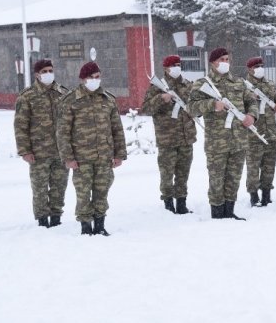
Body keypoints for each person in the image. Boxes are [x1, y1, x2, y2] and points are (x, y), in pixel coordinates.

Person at [57, 61, 127, 236]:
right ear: (83, 79)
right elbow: (63, 132)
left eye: (98, 77)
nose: (96, 80)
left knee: (102, 191)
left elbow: (117, 129)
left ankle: (100, 224)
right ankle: (85, 227)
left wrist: (119, 154)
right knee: (83, 193)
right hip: (81, 158)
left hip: (104, 156)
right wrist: (68, 157)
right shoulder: (71, 100)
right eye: (92, 77)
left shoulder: (108, 99)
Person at [187, 47, 258, 220]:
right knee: (217, 180)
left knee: (234, 178)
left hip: (239, 139)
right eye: (222, 59)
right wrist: (212, 105)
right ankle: (217, 214)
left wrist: (252, 116)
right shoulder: (203, 84)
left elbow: (251, 101)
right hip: (217, 143)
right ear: (213, 62)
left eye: (227, 59)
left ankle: (229, 211)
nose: (225, 62)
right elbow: (191, 109)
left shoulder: (239, 82)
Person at [13, 59, 70, 228]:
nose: (48, 74)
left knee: (59, 187)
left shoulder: (62, 93)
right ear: (37, 74)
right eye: (44, 71)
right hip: (38, 152)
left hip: (61, 151)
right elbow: (20, 126)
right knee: (40, 188)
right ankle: (42, 220)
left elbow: (70, 122)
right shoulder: (27, 96)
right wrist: (25, 150)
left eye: (50, 70)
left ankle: (56, 218)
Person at [141, 54, 197, 214]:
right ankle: (168, 203)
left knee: (183, 173)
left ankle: (181, 202)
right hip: (167, 139)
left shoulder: (187, 85)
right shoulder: (157, 87)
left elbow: (195, 106)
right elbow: (145, 109)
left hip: (186, 137)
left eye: (179, 64)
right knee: (167, 174)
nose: (177, 67)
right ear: (166, 68)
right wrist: (161, 98)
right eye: (174, 65)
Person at [243, 56, 276, 207]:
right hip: (254, 133)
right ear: (249, 69)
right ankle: (254, 196)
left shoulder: (270, 84)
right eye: (256, 66)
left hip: (271, 131)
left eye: (261, 65)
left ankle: (267, 194)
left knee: (269, 166)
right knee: (253, 167)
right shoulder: (243, 86)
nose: (259, 68)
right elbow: (238, 108)